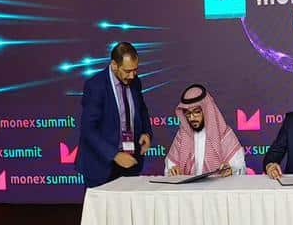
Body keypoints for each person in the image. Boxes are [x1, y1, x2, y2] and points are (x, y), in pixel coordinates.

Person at [76, 42, 152, 188]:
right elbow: (88, 130)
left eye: (135, 70)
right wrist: (115, 155)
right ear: (114, 65)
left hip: (129, 163)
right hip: (101, 165)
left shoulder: (135, 81)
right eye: (127, 71)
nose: (132, 75)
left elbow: (142, 109)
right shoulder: (96, 86)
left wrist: (146, 132)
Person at [165, 84, 244, 177]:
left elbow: (240, 167)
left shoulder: (223, 134)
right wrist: (173, 170)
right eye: (188, 113)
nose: (192, 118)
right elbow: (170, 167)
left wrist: (231, 170)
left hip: (218, 185)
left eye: (196, 112)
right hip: (189, 186)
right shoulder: (182, 136)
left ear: (206, 110)